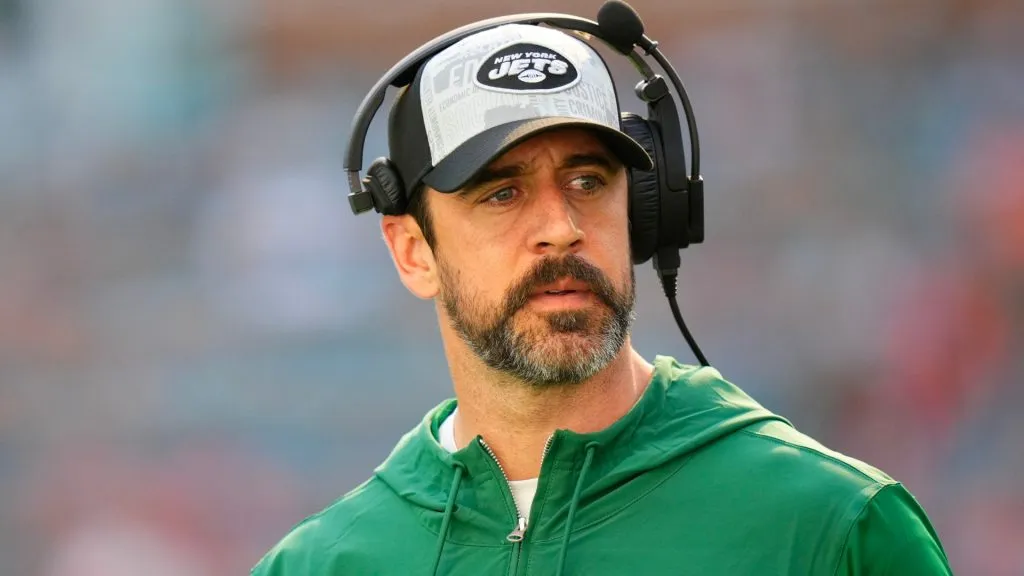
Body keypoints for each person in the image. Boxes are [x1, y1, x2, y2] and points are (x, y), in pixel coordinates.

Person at [251, 17, 952, 576]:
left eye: (588, 182)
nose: (560, 228)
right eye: (502, 193)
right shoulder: (320, 564)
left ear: (643, 213)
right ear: (412, 250)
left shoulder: (835, 528)